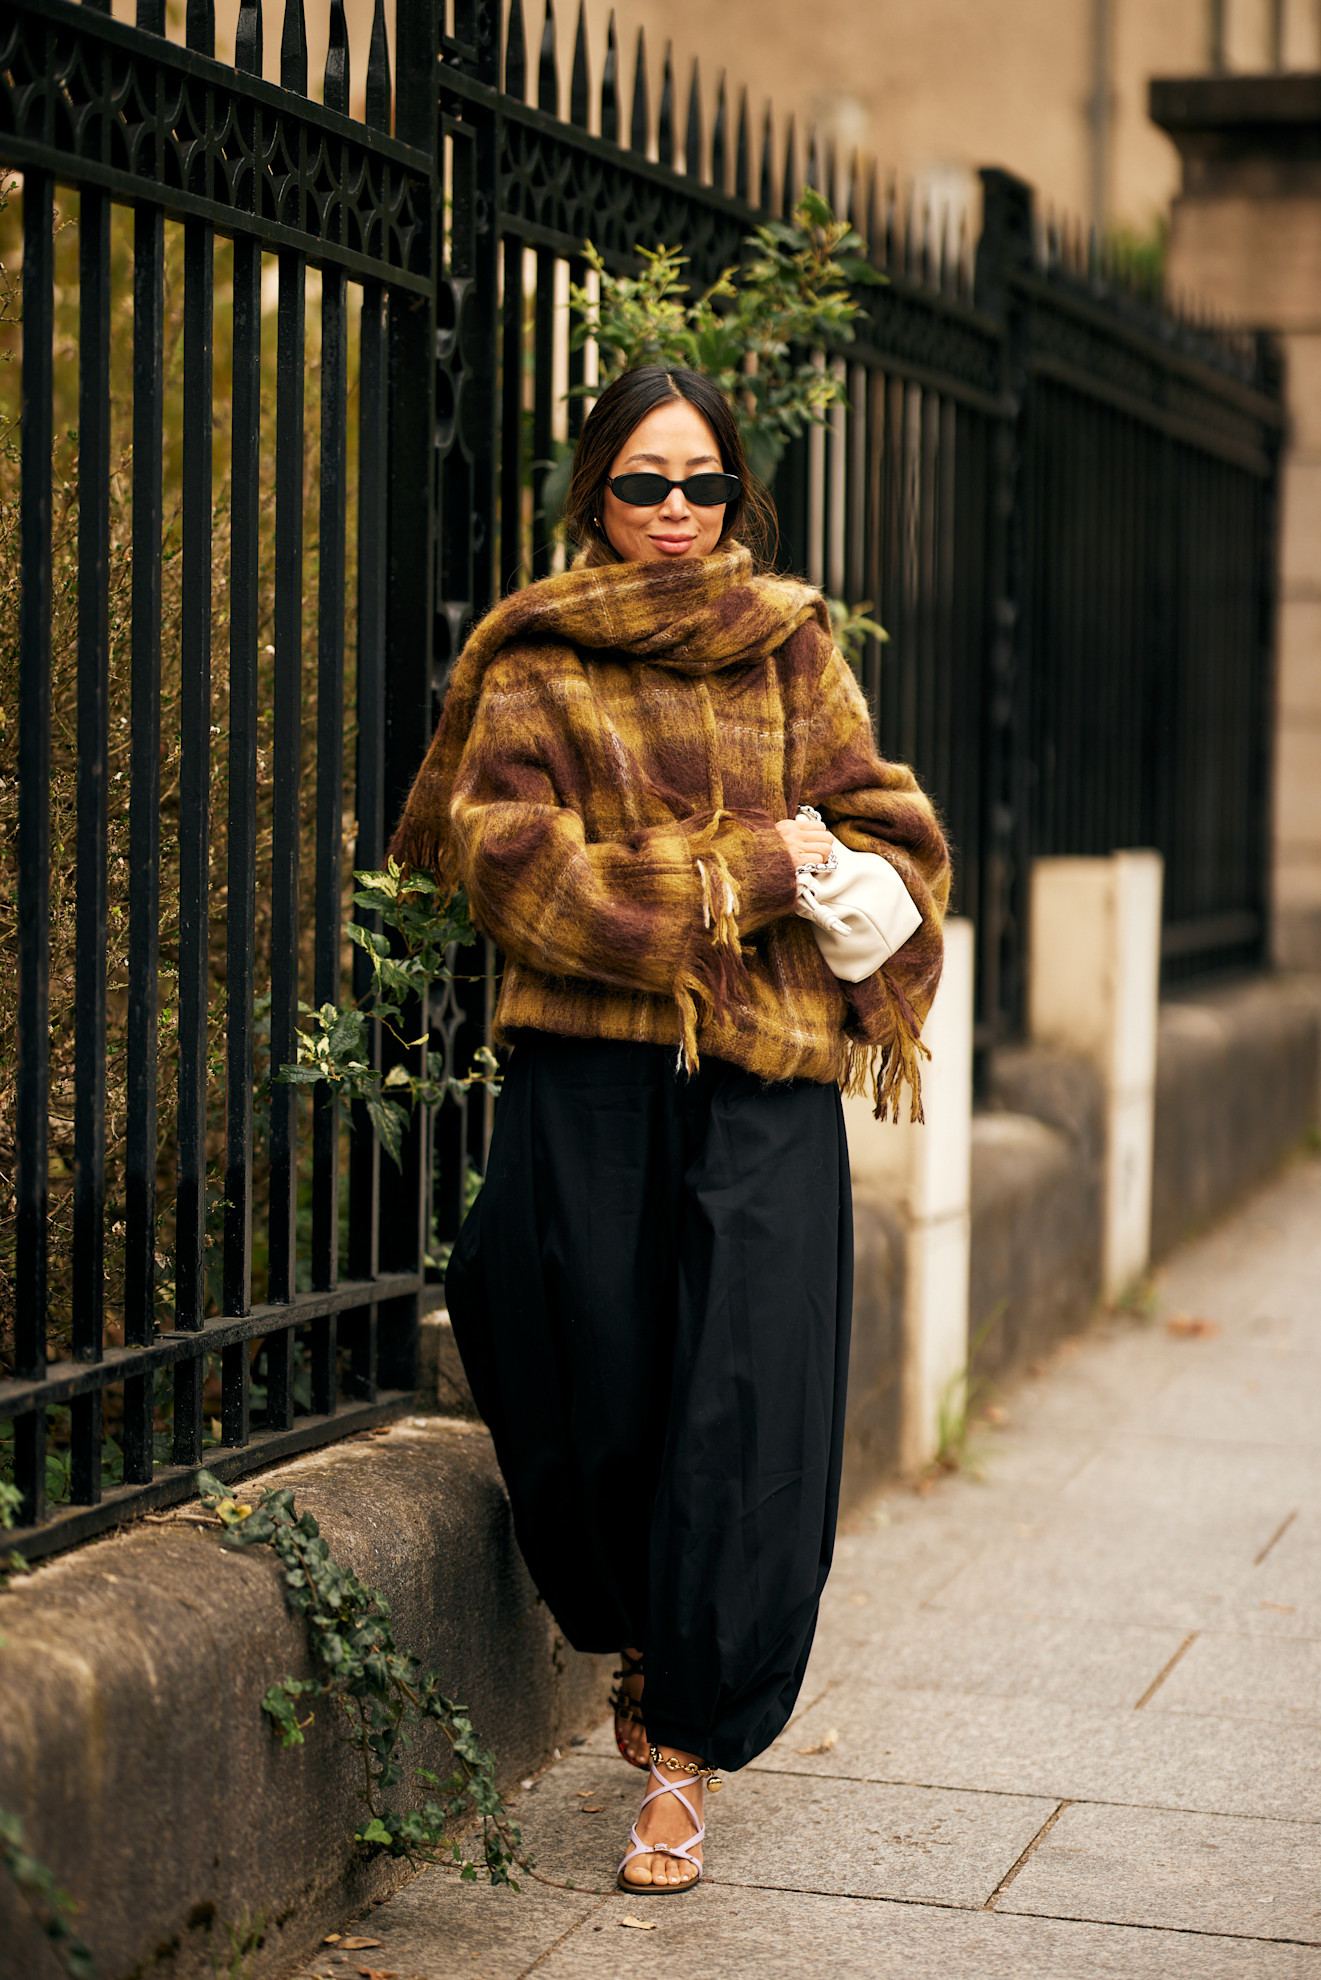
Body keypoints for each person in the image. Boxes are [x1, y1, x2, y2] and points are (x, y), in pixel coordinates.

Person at [389, 363, 950, 1894]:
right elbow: (513, 870)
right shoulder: (536, 656)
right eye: (644, 483)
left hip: (764, 1078)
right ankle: (639, 1634)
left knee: (746, 1406)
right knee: (590, 1385)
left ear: (735, 495)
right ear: (595, 493)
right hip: (587, 1076)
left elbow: (888, 823)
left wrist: (822, 863)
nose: (677, 513)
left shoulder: (791, 644)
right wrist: (733, 879)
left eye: (702, 483)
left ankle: (685, 1759)